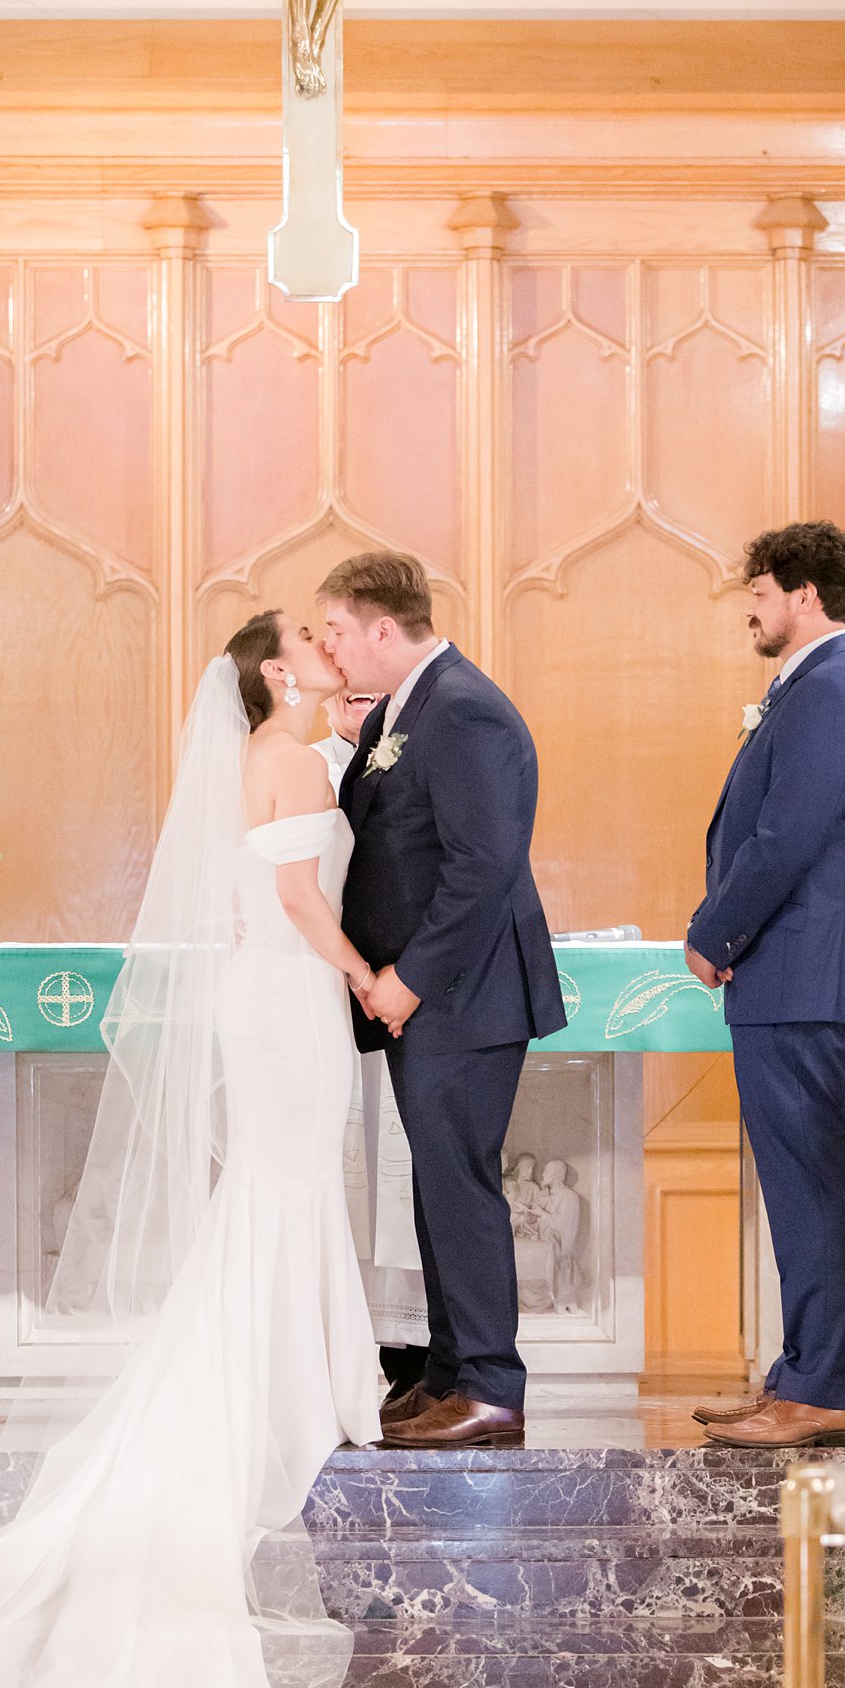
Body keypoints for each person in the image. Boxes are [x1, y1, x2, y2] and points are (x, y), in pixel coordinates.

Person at [0, 612, 405, 1688]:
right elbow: (292, 901)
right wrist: (368, 979)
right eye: (309, 644)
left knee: (284, 1191)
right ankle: (295, 1380)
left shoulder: (287, 749)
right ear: (276, 671)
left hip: (279, 1003)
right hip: (289, 1001)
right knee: (282, 1189)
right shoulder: (277, 756)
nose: (332, 650)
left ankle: (306, 1373)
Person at [323, 552, 566, 1450]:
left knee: (460, 1185)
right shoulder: (409, 707)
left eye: (339, 633)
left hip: (461, 994)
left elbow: (481, 866)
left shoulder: (464, 710)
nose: (331, 651)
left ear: (384, 629)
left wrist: (408, 979)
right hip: (433, 999)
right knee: (437, 1184)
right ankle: (449, 1369)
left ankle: (492, 1384)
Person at [685, 521, 845, 1450]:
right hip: (791, 976)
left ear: (804, 596)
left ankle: (820, 1389)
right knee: (802, 1187)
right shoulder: (816, 688)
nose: (750, 609)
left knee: (810, 1188)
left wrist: (715, 930)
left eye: (761, 592)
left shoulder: (828, 691)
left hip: (797, 974)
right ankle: (800, 1375)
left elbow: (785, 837)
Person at [312, 685, 380, 797]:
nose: (360, 683)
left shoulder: (414, 757)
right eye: (343, 673)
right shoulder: (303, 767)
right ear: (322, 697)